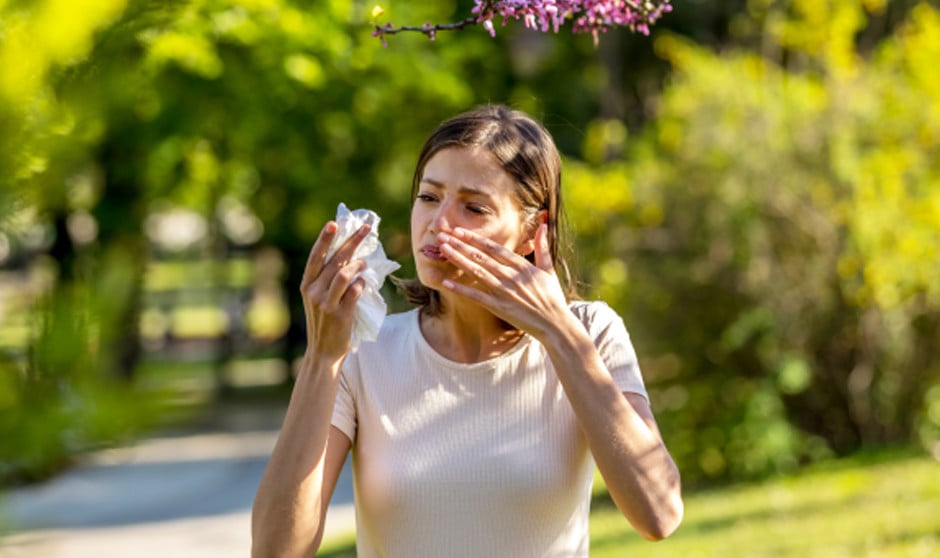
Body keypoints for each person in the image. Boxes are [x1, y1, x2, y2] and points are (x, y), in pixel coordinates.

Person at [251, 105, 683, 557]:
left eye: (473, 207)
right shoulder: (364, 351)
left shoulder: (590, 334)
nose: (438, 223)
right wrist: (322, 357)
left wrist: (559, 334)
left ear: (531, 231)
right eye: (429, 197)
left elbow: (659, 514)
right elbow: (275, 551)